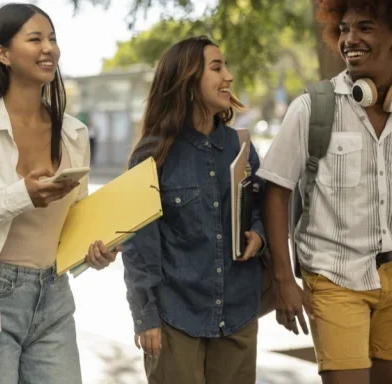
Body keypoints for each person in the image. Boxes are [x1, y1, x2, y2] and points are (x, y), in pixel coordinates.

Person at [0, 4, 118, 383]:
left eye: (52, 38)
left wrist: (97, 251)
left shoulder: (73, 133)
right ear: (2, 54)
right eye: (35, 39)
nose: (49, 48)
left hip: (54, 296)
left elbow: (76, 220)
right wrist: (23, 195)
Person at [257, 1, 392, 383]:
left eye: (365, 28)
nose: (350, 39)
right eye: (344, 29)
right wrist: (284, 280)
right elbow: (276, 193)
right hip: (334, 276)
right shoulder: (312, 108)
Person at [122, 36, 267, 384]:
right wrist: (146, 317)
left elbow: (264, 211)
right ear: (186, 81)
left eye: (226, 66)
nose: (229, 77)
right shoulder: (152, 154)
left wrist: (259, 236)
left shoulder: (241, 148)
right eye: (217, 68)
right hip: (175, 319)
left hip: (238, 313)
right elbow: (139, 246)